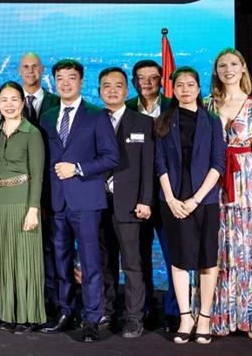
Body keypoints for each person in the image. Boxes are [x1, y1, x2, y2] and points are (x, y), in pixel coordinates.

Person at [38, 59, 119, 343]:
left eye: (71, 78)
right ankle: (65, 312)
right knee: (60, 262)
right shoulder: (47, 117)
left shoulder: (97, 115)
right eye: (60, 78)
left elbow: (111, 157)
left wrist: (78, 168)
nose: (65, 83)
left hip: (86, 200)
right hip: (56, 202)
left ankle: (91, 318)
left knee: (90, 263)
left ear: (81, 81)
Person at [206, 49, 252, 340]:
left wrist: (250, 182)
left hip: (245, 185)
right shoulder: (208, 104)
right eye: (222, 65)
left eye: (233, 64)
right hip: (214, 180)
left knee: (248, 249)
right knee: (219, 247)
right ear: (216, 71)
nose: (228, 69)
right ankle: (219, 317)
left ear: (244, 68)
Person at [154, 67, 226, 345]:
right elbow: (159, 162)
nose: (185, 89)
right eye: (180, 85)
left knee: (208, 260)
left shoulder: (212, 121)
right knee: (179, 260)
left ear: (199, 88)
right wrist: (172, 199)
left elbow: (218, 162)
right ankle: (186, 317)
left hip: (204, 199)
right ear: (173, 89)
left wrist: (196, 199)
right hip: (173, 200)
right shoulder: (163, 120)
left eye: (191, 84)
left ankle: (205, 317)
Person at [97, 68, 154, 339]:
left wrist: (146, 200)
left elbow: (148, 167)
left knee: (132, 264)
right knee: (104, 263)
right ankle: (107, 312)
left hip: (131, 205)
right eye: (106, 86)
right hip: (97, 203)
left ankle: (133, 317)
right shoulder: (91, 121)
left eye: (118, 85)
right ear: (98, 91)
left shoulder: (142, 123)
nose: (112, 90)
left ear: (127, 90)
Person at [0, 81, 46, 334]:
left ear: (23, 103)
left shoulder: (31, 133)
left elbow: (38, 174)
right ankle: (8, 313)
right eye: (4, 100)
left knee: (25, 260)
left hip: (23, 202)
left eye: (14, 99)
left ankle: (28, 315)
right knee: (3, 259)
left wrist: (33, 209)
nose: (9, 104)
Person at [126, 59, 178, 331]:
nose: (146, 82)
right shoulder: (126, 110)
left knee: (173, 257)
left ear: (161, 80)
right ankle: (145, 309)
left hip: (169, 196)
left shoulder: (174, 107)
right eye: (141, 77)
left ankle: (174, 310)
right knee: (139, 256)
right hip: (137, 197)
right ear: (134, 81)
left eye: (152, 77)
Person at [18, 52, 60, 315]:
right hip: (17, 190)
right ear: (19, 71)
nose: (31, 70)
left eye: (35, 66)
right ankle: (26, 300)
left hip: (53, 189)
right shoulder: (8, 102)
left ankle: (54, 301)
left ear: (42, 70)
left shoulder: (58, 102)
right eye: (26, 67)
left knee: (53, 247)